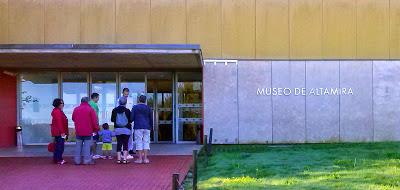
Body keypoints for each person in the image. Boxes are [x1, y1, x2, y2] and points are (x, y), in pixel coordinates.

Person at [72, 97, 99, 165]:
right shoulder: (90, 109)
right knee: (87, 147)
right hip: (88, 131)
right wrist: (95, 129)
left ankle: (77, 161)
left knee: (78, 146)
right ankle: (86, 160)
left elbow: (73, 118)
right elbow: (94, 121)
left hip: (78, 131)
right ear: (88, 102)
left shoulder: (76, 109)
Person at [131, 95, 153, 164]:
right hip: (147, 127)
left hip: (138, 126)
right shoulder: (148, 108)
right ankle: (146, 159)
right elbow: (151, 118)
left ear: (139, 100)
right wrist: (151, 127)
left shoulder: (135, 107)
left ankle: (140, 159)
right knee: (146, 142)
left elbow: (131, 118)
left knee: (139, 142)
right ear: (145, 100)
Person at [111, 96, 132, 164]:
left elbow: (112, 120)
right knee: (125, 144)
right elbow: (130, 120)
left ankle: (119, 159)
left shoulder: (114, 110)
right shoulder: (127, 110)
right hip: (126, 129)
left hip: (118, 129)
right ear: (125, 103)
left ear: (119, 102)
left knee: (119, 143)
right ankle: (125, 159)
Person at [118, 88, 135, 159]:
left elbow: (133, 109)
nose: (126, 94)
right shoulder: (119, 99)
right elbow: (117, 109)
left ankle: (130, 149)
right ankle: (122, 150)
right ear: (123, 92)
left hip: (130, 120)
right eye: (125, 93)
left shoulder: (131, 99)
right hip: (122, 120)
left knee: (131, 135)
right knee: (123, 136)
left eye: (127, 93)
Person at [50, 98, 68, 165]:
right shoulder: (57, 111)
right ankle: (59, 159)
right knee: (60, 146)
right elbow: (59, 123)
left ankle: (57, 159)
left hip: (58, 131)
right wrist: (62, 132)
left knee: (58, 146)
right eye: (61, 103)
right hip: (59, 132)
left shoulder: (58, 111)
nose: (62, 104)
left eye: (63, 103)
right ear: (57, 104)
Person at [89, 93, 101, 159]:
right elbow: (95, 116)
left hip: (89, 126)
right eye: (98, 98)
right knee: (94, 140)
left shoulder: (89, 103)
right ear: (95, 97)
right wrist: (97, 125)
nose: (98, 99)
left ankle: (91, 154)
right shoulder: (94, 105)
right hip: (93, 126)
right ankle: (93, 154)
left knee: (91, 140)